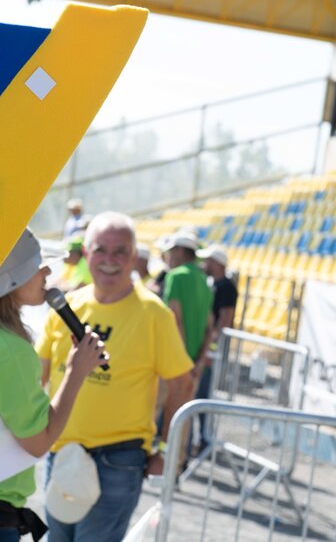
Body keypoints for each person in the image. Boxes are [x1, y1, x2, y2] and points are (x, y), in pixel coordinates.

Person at [36, 212, 195, 542]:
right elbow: (39, 374)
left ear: (134, 257)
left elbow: (182, 384)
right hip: (62, 452)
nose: (109, 260)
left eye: (120, 251)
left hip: (118, 461)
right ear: (87, 253)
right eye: (101, 250)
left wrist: (169, 450)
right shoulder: (68, 307)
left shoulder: (154, 315)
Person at [0, 229, 107, 542]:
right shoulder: (9, 349)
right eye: (36, 265)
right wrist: (77, 373)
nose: (47, 271)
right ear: (9, 280)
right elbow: (38, 442)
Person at [194, 244, 237, 453]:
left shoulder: (226, 286)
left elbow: (225, 318)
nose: (204, 264)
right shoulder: (213, 283)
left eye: (209, 260)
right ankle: (201, 438)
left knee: (205, 394)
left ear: (217, 263)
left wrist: (211, 346)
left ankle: (205, 439)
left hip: (214, 351)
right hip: (210, 348)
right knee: (200, 394)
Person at [162, 231, 213, 373]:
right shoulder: (204, 280)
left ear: (180, 250)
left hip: (175, 360)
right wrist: (199, 362)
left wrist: (182, 361)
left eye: (171, 251)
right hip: (195, 363)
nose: (168, 256)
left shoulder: (175, 276)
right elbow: (209, 328)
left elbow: (175, 320)